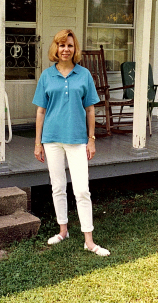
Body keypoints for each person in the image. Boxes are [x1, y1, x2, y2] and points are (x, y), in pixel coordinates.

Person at [32, 29, 110, 256]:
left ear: (75, 49)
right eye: (61, 45)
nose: (65, 49)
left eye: (70, 46)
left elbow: (90, 109)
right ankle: (63, 230)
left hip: (77, 139)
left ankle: (89, 240)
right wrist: (38, 142)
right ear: (55, 48)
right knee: (57, 187)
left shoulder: (84, 75)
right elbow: (40, 112)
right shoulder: (47, 76)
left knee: (82, 189)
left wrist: (91, 139)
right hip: (52, 139)